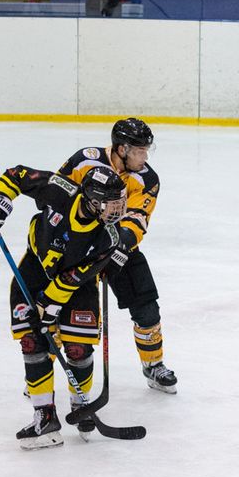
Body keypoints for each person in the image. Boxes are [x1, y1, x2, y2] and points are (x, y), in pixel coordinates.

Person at [0, 164, 129, 449]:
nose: (117, 210)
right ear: (92, 200)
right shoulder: (60, 190)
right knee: (32, 342)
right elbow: (16, 175)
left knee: (78, 348)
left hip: (77, 286)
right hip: (34, 272)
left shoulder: (109, 237)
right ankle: (44, 417)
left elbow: (72, 279)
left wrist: (48, 306)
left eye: (120, 203)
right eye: (112, 204)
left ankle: (81, 404)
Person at [57, 118, 177, 394]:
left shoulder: (146, 179)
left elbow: (137, 218)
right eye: (140, 151)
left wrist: (120, 246)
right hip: (76, 246)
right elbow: (56, 194)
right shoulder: (85, 160)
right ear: (122, 149)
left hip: (117, 247)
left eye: (146, 150)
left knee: (146, 306)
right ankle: (42, 369)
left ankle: (153, 365)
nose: (145, 157)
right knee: (59, 309)